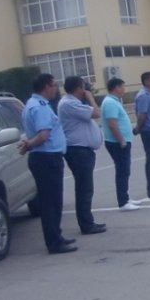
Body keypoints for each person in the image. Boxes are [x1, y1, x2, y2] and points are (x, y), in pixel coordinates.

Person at [19, 73, 76, 254]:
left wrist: (29, 144)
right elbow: (43, 135)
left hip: (44, 157)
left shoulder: (32, 104)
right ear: (46, 86)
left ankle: (56, 236)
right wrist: (29, 145)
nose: (56, 88)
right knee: (52, 202)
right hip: (47, 158)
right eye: (54, 85)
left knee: (51, 201)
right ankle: (54, 242)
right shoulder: (40, 107)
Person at [58, 76, 106, 235]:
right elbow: (96, 113)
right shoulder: (69, 103)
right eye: (84, 87)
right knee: (84, 189)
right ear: (78, 88)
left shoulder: (73, 103)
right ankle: (86, 224)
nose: (86, 89)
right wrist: (90, 98)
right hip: (78, 151)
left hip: (82, 150)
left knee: (85, 188)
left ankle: (87, 221)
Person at [102, 78, 139, 211]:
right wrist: (121, 140)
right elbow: (112, 124)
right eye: (122, 87)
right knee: (122, 171)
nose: (124, 89)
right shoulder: (110, 102)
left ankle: (126, 197)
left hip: (120, 142)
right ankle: (123, 202)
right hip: (117, 143)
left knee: (125, 170)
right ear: (116, 87)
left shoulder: (114, 101)